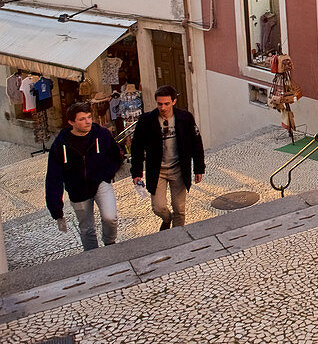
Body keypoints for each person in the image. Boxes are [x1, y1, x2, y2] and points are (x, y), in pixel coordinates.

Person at [45, 102, 124, 250]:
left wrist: (107, 174)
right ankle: (93, 256)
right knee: (87, 228)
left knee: (110, 217)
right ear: (71, 122)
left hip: (100, 182)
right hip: (77, 190)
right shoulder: (60, 144)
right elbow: (53, 177)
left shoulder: (101, 134)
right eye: (82, 119)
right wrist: (56, 208)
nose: (88, 121)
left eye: (89, 117)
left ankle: (109, 243)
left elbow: (117, 155)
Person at [131, 85, 205, 229]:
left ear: (174, 101)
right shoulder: (146, 121)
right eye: (160, 104)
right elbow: (137, 148)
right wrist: (136, 172)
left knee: (180, 208)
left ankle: (178, 237)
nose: (163, 107)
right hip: (157, 170)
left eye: (166, 103)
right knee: (158, 207)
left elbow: (197, 143)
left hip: (178, 168)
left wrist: (199, 168)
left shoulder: (185, 118)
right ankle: (167, 219)